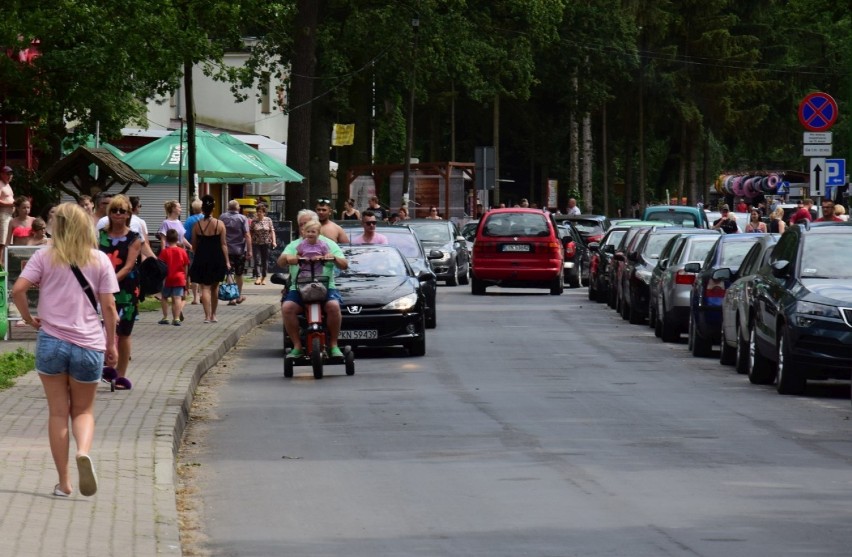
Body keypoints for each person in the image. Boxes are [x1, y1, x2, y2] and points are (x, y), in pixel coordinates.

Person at [12, 202, 119, 498]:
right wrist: (111, 344)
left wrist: (27, 318)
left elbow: (18, 289)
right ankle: (83, 451)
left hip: (51, 341)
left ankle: (64, 482)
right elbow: (109, 306)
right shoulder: (99, 260)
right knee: (83, 411)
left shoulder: (45, 257)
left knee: (58, 413)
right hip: (88, 343)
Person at [278, 210, 348, 360]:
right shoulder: (295, 245)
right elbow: (281, 261)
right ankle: (297, 346)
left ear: (317, 227)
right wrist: (290, 258)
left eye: (308, 225)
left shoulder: (328, 244)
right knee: (287, 308)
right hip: (299, 288)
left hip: (325, 286)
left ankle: (334, 345)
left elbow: (344, 265)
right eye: (301, 225)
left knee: (334, 307)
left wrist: (333, 257)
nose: (304, 229)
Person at [98, 194, 141, 391]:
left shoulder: (134, 238)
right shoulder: (101, 235)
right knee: (99, 330)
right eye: (114, 210)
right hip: (100, 287)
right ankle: (100, 370)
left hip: (125, 289)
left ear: (128, 214)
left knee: (124, 332)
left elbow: (129, 266)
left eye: (121, 211)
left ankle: (120, 376)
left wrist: (109, 282)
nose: (117, 214)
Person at [190, 195, 230, 323]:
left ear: (202, 209)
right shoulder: (220, 224)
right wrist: (227, 261)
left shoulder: (197, 225)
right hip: (217, 257)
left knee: (205, 288)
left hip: (201, 257)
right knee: (214, 287)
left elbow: (194, 245)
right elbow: (224, 244)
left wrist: (197, 254)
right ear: (213, 208)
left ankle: (206, 316)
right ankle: (214, 315)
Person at [219, 199, 252, 305]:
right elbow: (247, 235)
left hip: (226, 250)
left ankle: (231, 298)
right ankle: (238, 296)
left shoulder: (222, 217)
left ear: (228, 207)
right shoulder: (243, 218)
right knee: (239, 274)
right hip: (239, 250)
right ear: (238, 208)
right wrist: (249, 250)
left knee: (229, 273)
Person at [158, 229, 190, 326]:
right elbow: (186, 265)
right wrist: (186, 277)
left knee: (164, 297)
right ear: (177, 239)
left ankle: (165, 317)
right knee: (177, 298)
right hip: (179, 277)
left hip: (167, 278)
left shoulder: (164, 252)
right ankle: (176, 318)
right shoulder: (182, 251)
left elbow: (160, 266)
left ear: (166, 239)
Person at [183, 198, 204, 304]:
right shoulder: (206, 219)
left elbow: (185, 235)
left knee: (194, 273)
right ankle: (203, 295)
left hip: (192, 248)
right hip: (205, 249)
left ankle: (195, 297)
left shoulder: (189, 220)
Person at [250, 203, 276, 285]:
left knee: (265, 261)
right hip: (256, 243)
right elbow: (251, 231)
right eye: (258, 211)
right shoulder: (254, 221)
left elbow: (272, 231)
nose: (259, 213)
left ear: (264, 212)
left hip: (266, 242)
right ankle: (257, 277)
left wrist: (274, 241)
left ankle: (263, 278)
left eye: (261, 211)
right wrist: (249, 241)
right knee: (257, 260)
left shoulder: (268, 220)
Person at [0, 165, 15, 260]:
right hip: (3, 215)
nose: (9, 176)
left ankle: (4, 263)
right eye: (7, 174)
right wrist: (9, 204)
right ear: (2, 174)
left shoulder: (8, 185)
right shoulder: (0, 184)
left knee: (8, 241)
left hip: (10, 216)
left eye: (11, 174)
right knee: (2, 241)